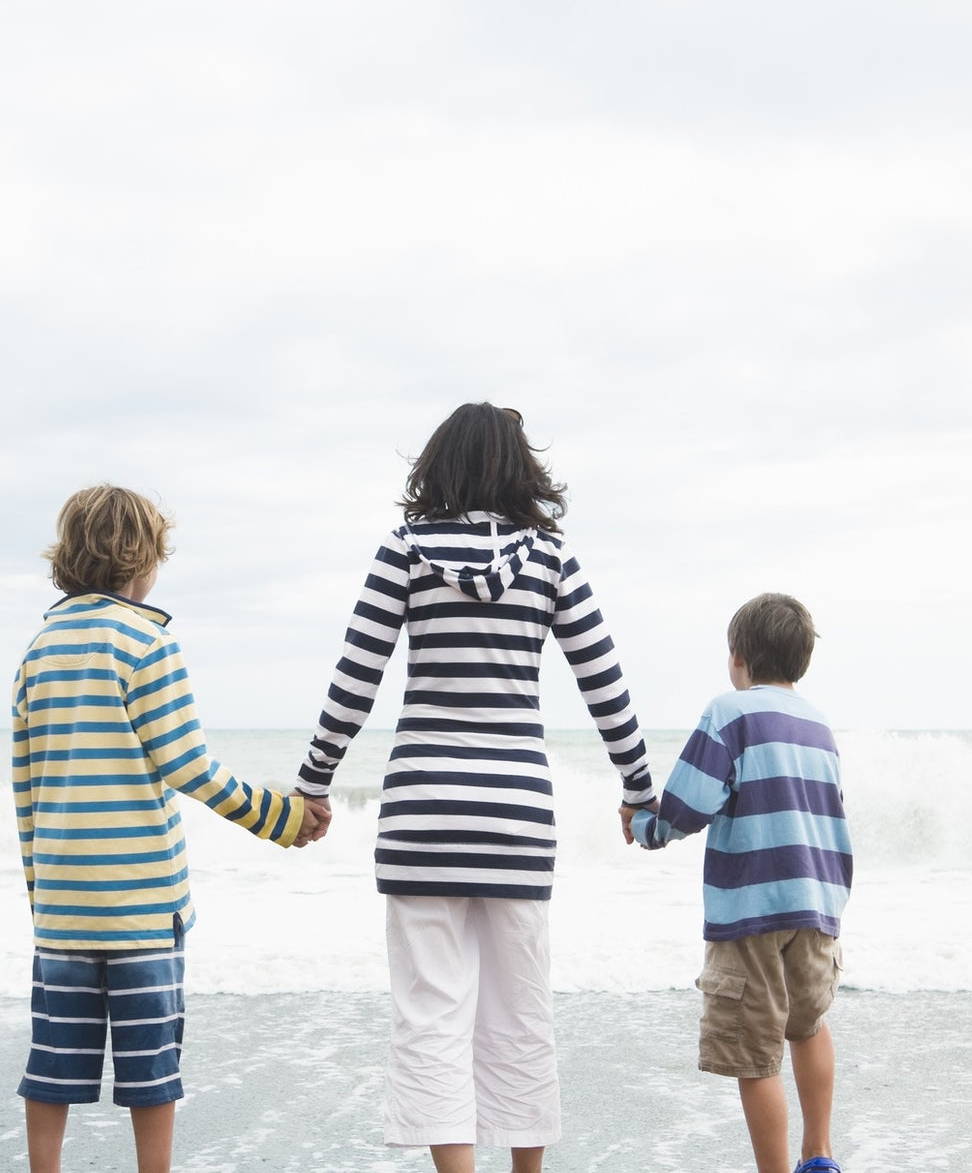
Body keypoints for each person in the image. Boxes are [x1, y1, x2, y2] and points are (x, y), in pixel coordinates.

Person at [296, 403, 653, 1173]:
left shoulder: (404, 550)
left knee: (430, 1013)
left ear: (439, 465)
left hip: (421, 809)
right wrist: (639, 789)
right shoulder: (553, 559)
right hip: (517, 815)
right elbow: (604, 684)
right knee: (522, 1010)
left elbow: (356, 678)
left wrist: (313, 781)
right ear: (522, 469)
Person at [11, 484, 326, 1173]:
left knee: (54, 1058)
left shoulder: (38, 650)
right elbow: (190, 766)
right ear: (144, 561)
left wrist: (40, 895)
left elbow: (25, 792)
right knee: (149, 1062)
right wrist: (282, 818)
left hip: (63, 907)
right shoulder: (146, 643)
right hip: (142, 907)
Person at [625, 592, 850, 1173]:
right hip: (817, 903)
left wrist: (648, 826)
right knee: (809, 1025)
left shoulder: (730, 713)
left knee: (755, 1054)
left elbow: (693, 801)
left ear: (738, 657)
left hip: (752, 908)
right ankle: (819, 1154)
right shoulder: (820, 726)